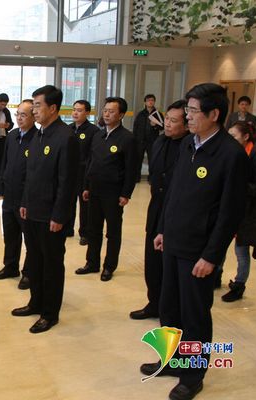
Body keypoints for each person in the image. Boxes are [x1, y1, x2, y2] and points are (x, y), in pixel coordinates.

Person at [141, 83, 248, 400]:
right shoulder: (189, 143)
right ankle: (172, 359)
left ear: (214, 114)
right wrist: (163, 229)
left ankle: (192, 375)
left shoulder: (230, 155)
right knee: (169, 308)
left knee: (194, 315)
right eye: (186, 110)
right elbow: (173, 192)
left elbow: (230, 214)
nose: (187, 116)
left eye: (192, 111)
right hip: (173, 242)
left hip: (198, 253)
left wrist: (211, 256)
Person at [12, 85, 79, 334]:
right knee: (35, 261)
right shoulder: (38, 134)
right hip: (33, 211)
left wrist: (59, 215)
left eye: (38, 105)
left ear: (53, 108)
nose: (34, 110)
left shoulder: (66, 137)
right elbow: (31, 175)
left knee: (51, 265)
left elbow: (67, 182)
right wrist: (25, 203)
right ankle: (35, 303)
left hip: (52, 217)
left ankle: (50, 314)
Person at [130, 100, 189, 320]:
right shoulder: (160, 141)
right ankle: (154, 303)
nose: (168, 124)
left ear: (187, 124)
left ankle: (170, 309)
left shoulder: (189, 147)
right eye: (167, 119)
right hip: (156, 210)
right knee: (152, 263)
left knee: (169, 267)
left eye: (174, 121)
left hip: (176, 214)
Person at [76, 96, 136, 282]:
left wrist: (126, 193)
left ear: (121, 115)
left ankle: (109, 266)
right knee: (93, 228)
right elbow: (91, 163)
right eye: (105, 111)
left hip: (114, 193)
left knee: (113, 232)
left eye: (111, 111)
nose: (107, 114)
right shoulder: (98, 135)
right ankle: (92, 262)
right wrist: (86, 186)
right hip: (94, 190)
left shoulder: (127, 138)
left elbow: (131, 169)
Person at [0, 99, 37, 290]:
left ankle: (29, 273)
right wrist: (1, 188)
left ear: (34, 116)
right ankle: (10, 267)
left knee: (30, 238)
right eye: (17, 114)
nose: (19, 118)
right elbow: (5, 162)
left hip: (26, 198)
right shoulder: (12, 135)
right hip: (9, 195)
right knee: (10, 235)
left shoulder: (38, 138)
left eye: (23, 115)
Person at [221, 121, 256, 302]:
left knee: (241, 251)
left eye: (234, 136)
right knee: (219, 244)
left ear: (246, 136)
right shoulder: (232, 152)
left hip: (247, 212)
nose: (230, 139)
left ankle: (239, 285)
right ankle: (215, 275)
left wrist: (237, 185)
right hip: (228, 207)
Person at [67, 100, 100, 243]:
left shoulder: (93, 131)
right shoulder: (68, 129)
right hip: (69, 173)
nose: (75, 113)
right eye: (74, 109)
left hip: (85, 173)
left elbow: (93, 156)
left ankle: (85, 233)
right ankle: (67, 228)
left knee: (85, 205)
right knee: (68, 202)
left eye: (79, 110)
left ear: (87, 113)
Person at [133, 94, 163, 182]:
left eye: (152, 100)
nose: (150, 102)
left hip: (152, 140)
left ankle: (151, 178)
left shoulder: (158, 114)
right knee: (138, 159)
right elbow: (135, 127)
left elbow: (162, 127)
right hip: (140, 140)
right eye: (148, 100)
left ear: (154, 102)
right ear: (145, 102)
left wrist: (155, 126)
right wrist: (135, 139)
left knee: (152, 160)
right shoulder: (141, 114)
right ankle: (136, 177)